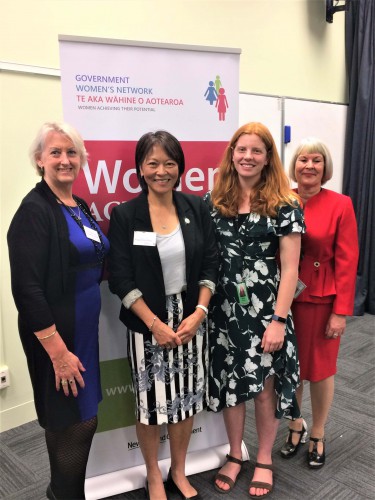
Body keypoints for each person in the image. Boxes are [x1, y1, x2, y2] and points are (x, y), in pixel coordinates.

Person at [107, 130, 218, 500]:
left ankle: (179, 471)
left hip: (190, 320)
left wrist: (200, 312)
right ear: (140, 167)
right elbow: (120, 279)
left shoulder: (195, 208)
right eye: (153, 162)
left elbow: (210, 264)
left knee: (186, 398)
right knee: (150, 406)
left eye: (169, 162)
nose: (161, 170)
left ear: (179, 167)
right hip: (146, 323)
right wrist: (154, 324)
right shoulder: (126, 215)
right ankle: (154, 475)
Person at [7, 122, 109, 500]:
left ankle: (64, 493)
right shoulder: (33, 211)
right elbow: (26, 289)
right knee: (73, 422)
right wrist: (57, 352)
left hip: (82, 330)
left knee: (83, 417)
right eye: (56, 152)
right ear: (39, 161)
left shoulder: (78, 206)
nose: (65, 160)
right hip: (57, 338)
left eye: (71, 152)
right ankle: (63, 495)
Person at [204, 122, 305, 498]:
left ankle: (263, 458)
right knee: (231, 384)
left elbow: (291, 269)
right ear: (232, 154)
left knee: (264, 389)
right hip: (224, 310)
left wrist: (279, 321)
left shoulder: (285, 203)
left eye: (256, 151)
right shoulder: (213, 201)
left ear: (267, 158)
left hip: (266, 312)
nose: (247, 156)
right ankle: (235, 453)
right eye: (241, 149)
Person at [280, 138, 359, 468]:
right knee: (292, 369)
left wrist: (341, 311)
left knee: (322, 370)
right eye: (302, 160)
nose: (309, 166)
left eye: (316, 160)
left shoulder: (341, 204)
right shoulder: (282, 200)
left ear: (325, 168)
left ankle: (318, 432)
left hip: (323, 300)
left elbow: (347, 259)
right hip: (286, 299)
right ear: (294, 165)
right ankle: (294, 425)